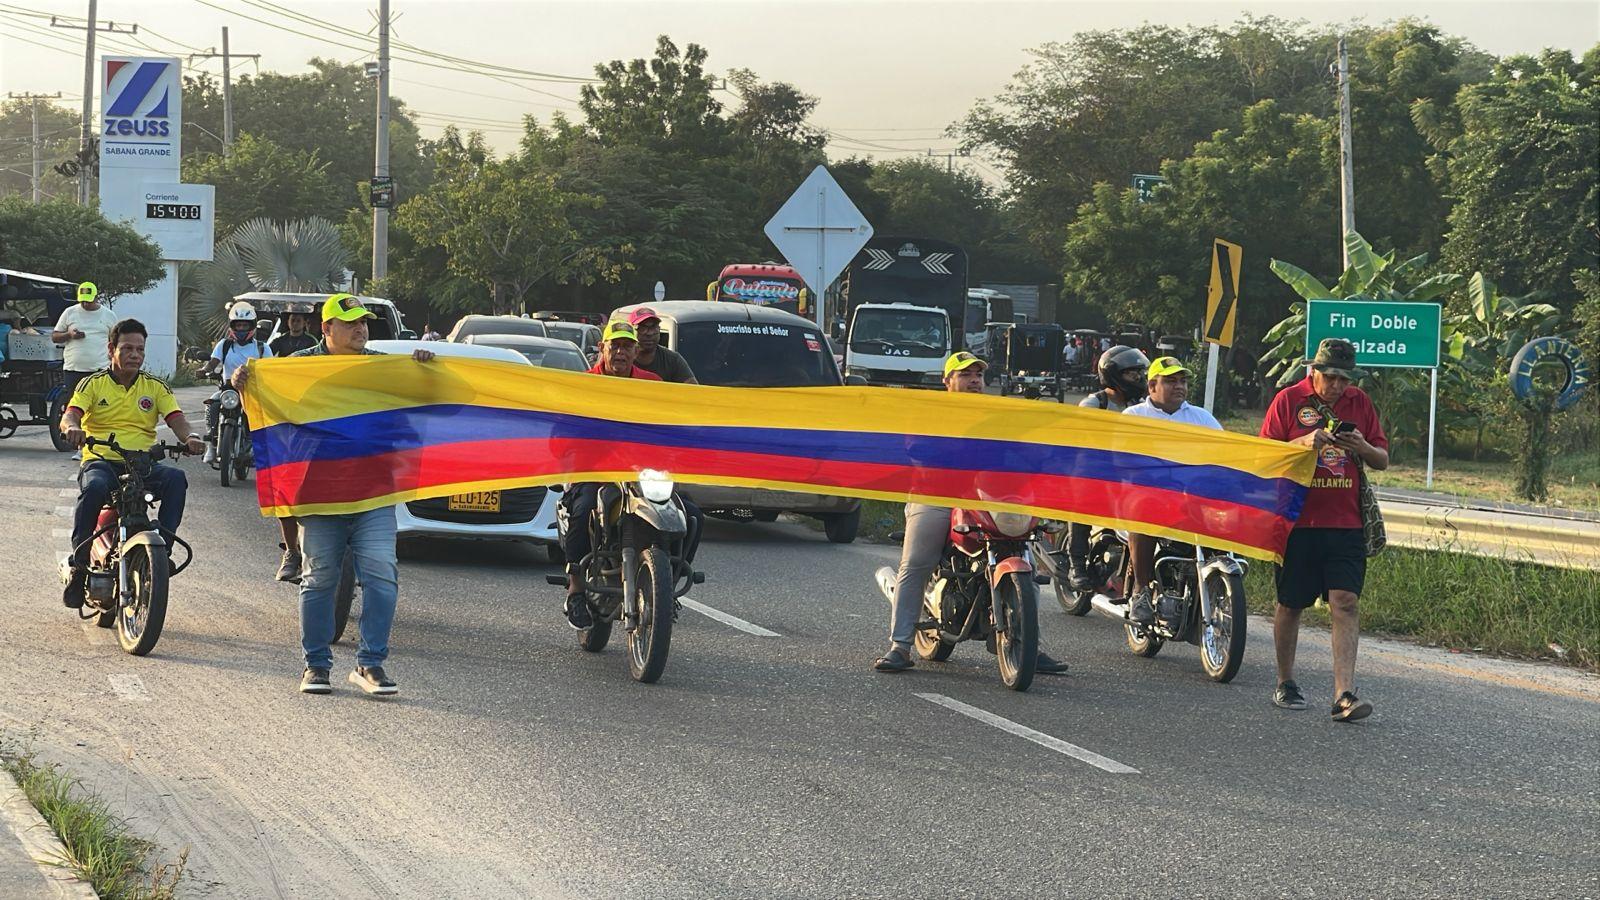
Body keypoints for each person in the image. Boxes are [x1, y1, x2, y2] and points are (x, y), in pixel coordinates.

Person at [232, 293, 435, 695]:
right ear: (327, 329)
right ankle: (316, 666)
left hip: (374, 491)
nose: (361, 329)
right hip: (321, 492)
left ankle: (371, 664)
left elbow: (423, 400)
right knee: (320, 577)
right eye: (351, 323)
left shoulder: (382, 368)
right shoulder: (300, 367)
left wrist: (426, 371)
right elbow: (268, 404)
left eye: (363, 322)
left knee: (382, 575)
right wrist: (244, 385)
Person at [874, 352, 1070, 675]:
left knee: (1026, 557)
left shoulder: (999, 413)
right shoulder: (931, 412)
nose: (974, 380)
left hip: (987, 496)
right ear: (947, 381)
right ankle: (900, 645)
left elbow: (1021, 449)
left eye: (978, 374)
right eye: (965, 374)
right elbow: (915, 448)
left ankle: (1029, 644)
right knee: (917, 560)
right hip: (935, 495)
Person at [1259, 338, 1388, 723]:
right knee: (1291, 602)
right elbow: (1264, 457)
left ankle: (1343, 693)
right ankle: (1286, 680)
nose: (1336, 386)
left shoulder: (1359, 403)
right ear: (1312, 371)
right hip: (1298, 520)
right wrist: (1302, 442)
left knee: (1345, 600)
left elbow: (1382, 459)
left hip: (1345, 521)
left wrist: (1361, 445)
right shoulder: (1288, 401)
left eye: (1343, 379)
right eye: (1329, 377)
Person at [59, 319, 205, 608]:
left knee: (176, 479)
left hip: (141, 464)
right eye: (127, 348)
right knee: (95, 488)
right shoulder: (93, 384)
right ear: (111, 349)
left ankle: (161, 553)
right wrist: (72, 428)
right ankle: (79, 563)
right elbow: (70, 415)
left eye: (140, 349)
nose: (134, 355)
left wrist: (191, 438)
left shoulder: (155, 387)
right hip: (101, 461)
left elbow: (177, 420)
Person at [561, 320, 664, 629]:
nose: (620, 352)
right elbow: (562, 429)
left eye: (627, 346)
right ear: (602, 349)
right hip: (594, 471)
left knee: (691, 515)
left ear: (636, 352)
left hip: (641, 473)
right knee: (581, 513)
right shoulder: (582, 384)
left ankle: (667, 589)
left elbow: (673, 425)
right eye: (614, 345)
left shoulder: (653, 384)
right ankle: (576, 591)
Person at [1119, 356, 1223, 626]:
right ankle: (1141, 591)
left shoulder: (1202, 418)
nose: (1179, 386)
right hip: (1144, 500)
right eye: (1171, 381)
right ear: (1152, 386)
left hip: (1190, 500)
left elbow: (1227, 453)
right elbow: (1118, 459)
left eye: (1183, 381)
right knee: (1144, 513)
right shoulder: (1134, 417)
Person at [1065, 345, 1151, 589]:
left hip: (1131, 472)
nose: (1139, 378)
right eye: (1131, 373)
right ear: (1113, 375)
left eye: (1140, 373)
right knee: (1082, 501)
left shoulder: (1144, 406)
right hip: (1096, 472)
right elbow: (1082, 439)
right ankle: (1077, 564)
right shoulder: (1094, 404)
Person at [201, 302, 272, 465]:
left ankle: (257, 448)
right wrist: (203, 370)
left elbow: (269, 368)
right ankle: (211, 444)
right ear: (232, 326)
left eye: (244, 325)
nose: (241, 329)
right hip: (228, 390)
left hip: (252, 392)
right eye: (238, 325)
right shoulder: (224, 345)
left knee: (263, 414)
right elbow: (212, 363)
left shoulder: (262, 348)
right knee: (212, 404)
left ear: (252, 326)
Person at [52, 281, 121, 416]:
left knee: (99, 405)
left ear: (96, 298)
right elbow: (55, 336)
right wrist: (69, 335)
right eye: (82, 301)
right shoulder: (69, 312)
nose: (85, 304)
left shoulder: (109, 315)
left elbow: (116, 341)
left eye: (88, 301)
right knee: (74, 406)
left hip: (99, 369)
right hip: (73, 369)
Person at [625, 307, 697, 383]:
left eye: (654, 327)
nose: (650, 333)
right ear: (630, 331)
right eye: (643, 328)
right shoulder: (622, 358)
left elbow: (693, 391)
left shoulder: (672, 360)